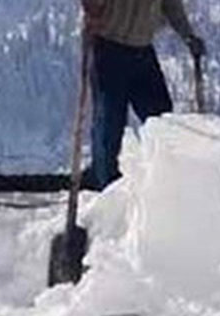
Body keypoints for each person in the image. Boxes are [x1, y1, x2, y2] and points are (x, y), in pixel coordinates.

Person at [80, 0, 206, 188]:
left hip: (142, 49)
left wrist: (187, 35)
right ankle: (104, 185)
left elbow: (171, 5)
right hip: (108, 47)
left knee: (162, 118)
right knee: (109, 121)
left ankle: (165, 180)